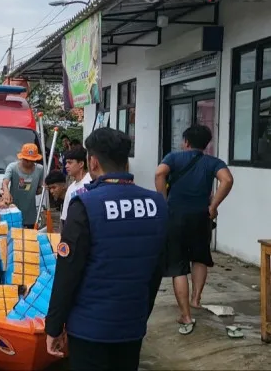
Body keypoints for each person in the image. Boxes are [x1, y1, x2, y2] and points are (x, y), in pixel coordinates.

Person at [45, 127, 167, 370]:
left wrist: (54, 326)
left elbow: (67, 273)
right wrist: (142, 313)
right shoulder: (157, 204)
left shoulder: (86, 204)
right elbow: (156, 269)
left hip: (89, 329)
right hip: (131, 325)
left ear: (92, 162)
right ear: (125, 161)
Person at [152, 125, 234, 334]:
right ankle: (196, 299)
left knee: (178, 266)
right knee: (199, 258)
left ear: (186, 142)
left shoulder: (173, 158)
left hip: (175, 216)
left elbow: (160, 173)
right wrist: (213, 206)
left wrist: (163, 201)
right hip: (201, 217)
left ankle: (186, 315)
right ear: (205, 144)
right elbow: (227, 180)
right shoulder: (212, 162)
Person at [1, 143, 44, 228]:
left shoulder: (40, 169)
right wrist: (6, 191)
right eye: (26, 160)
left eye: (32, 161)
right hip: (13, 212)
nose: (29, 163)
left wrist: (45, 189)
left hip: (30, 215)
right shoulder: (12, 167)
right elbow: (5, 182)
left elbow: (39, 189)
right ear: (21, 157)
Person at [60, 147, 93, 229]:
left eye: (69, 163)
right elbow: (65, 217)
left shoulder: (92, 181)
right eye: (66, 163)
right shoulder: (70, 188)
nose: (66, 166)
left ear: (81, 164)